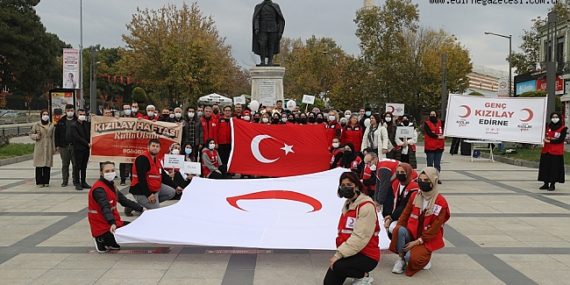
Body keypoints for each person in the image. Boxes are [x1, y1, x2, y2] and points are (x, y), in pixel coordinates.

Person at [389, 167, 450, 276]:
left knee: (412, 258)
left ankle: (424, 258)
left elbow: (434, 229)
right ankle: (401, 259)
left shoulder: (440, 202)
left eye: (426, 181)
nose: (422, 183)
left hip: (427, 238)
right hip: (413, 232)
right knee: (398, 229)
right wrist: (397, 231)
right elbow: (405, 215)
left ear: (433, 181)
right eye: (420, 180)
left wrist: (417, 242)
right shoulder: (415, 196)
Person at [324, 171, 379, 285]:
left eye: (349, 184)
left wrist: (339, 255)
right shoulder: (348, 204)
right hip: (351, 252)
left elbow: (360, 237)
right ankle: (353, 270)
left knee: (338, 266)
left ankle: (364, 276)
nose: (346, 188)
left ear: (357, 186)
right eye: (343, 185)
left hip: (367, 255)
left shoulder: (366, 206)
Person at [89, 161, 144, 253]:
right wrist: (112, 223)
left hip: (112, 220)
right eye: (107, 171)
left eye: (112, 170)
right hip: (101, 223)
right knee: (123, 232)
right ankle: (99, 238)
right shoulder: (99, 189)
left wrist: (141, 209)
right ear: (101, 172)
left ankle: (109, 240)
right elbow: (105, 207)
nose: (110, 173)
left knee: (131, 227)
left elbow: (123, 200)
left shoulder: (111, 185)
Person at [129, 139, 176, 210]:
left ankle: (144, 204)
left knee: (171, 192)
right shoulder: (143, 159)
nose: (155, 148)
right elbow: (141, 179)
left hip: (155, 189)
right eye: (153, 146)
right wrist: (148, 195)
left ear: (159, 149)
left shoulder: (156, 160)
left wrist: (176, 186)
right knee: (156, 211)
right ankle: (136, 205)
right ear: (148, 147)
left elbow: (163, 176)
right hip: (141, 191)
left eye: (157, 146)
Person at [383, 163, 419, 239]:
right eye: (398, 172)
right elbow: (389, 201)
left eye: (402, 172)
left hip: (410, 217)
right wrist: (387, 215)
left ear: (408, 172)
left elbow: (404, 205)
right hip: (396, 215)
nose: (399, 174)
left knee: (394, 228)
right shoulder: (395, 184)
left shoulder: (414, 187)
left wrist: (390, 218)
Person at [538, 112, 567, 191]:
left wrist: (550, 141)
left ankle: (552, 184)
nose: (554, 118)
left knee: (554, 168)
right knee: (545, 167)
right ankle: (545, 183)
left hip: (556, 152)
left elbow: (560, 140)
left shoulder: (563, 128)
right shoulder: (547, 126)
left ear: (559, 118)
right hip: (546, 151)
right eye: (553, 117)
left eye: (556, 117)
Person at [252, 0, 285, 66]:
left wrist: (280, 32)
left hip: (273, 29)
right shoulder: (259, 6)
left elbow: (280, 20)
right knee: (262, 44)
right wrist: (256, 28)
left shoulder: (276, 6)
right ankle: (263, 61)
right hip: (262, 29)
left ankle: (270, 61)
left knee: (271, 45)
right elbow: (256, 18)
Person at [54, 104, 77, 187]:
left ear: (74, 111)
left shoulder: (77, 120)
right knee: (65, 164)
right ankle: (65, 180)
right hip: (63, 146)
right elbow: (57, 134)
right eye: (68, 110)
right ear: (65, 111)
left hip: (75, 146)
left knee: (75, 164)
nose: (70, 112)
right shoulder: (61, 121)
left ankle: (75, 180)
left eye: (71, 110)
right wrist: (57, 145)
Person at [31, 110, 55, 187]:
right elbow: (31, 134)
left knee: (47, 165)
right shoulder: (37, 124)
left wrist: (54, 148)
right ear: (41, 115)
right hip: (39, 146)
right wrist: (36, 136)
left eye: (47, 114)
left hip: (48, 146)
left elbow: (53, 137)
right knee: (39, 165)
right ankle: (39, 182)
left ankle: (46, 181)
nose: (45, 116)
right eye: (44, 114)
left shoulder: (51, 125)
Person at [72, 109, 91, 190]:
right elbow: (77, 137)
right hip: (78, 148)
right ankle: (77, 182)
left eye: (84, 114)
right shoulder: (74, 125)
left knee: (84, 166)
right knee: (77, 166)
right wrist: (87, 143)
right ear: (77, 114)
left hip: (86, 149)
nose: (82, 115)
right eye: (80, 114)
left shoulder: (86, 124)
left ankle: (83, 182)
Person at [423, 111, 445, 184]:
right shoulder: (426, 123)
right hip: (430, 147)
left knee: (437, 164)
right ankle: (429, 178)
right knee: (430, 164)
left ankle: (436, 178)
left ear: (436, 115)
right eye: (431, 114)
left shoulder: (441, 122)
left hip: (439, 146)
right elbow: (429, 133)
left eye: (434, 114)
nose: (433, 115)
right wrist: (438, 136)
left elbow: (447, 127)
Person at [120, 105, 134, 185]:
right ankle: (123, 179)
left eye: (128, 109)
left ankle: (132, 178)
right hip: (123, 143)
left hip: (132, 144)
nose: (127, 110)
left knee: (132, 163)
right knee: (122, 162)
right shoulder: (120, 119)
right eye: (125, 109)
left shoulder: (135, 118)